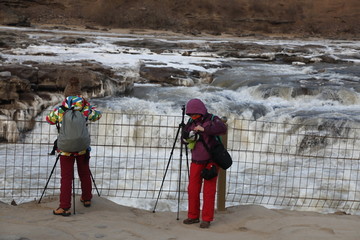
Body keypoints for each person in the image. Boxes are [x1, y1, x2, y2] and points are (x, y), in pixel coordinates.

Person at [46, 77, 102, 216]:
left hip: (65, 149)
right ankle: (87, 198)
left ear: (66, 95)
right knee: (84, 172)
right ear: (79, 94)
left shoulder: (61, 109)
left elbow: (49, 120)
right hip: (82, 147)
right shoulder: (85, 108)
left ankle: (64, 207)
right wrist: (87, 106)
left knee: (66, 177)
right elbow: (97, 116)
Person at [182, 98, 227, 228]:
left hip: (211, 161)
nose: (193, 117)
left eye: (195, 114)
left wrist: (204, 129)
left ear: (201, 111)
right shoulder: (190, 122)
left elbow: (222, 128)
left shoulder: (213, 119)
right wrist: (187, 137)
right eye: (190, 115)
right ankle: (193, 216)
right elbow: (183, 140)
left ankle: (207, 219)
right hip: (196, 160)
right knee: (192, 189)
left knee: (209, 190)